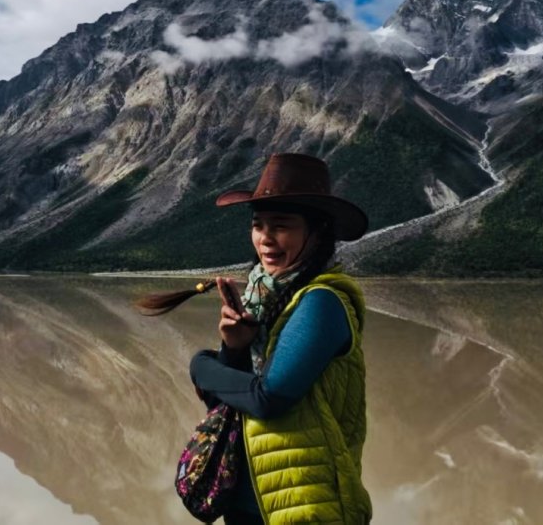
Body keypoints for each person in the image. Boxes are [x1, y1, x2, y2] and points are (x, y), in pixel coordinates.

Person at [139, 153, 373, 525]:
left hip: (303, 506)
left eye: (281, 226)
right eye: (257, 225)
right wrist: (234, 347)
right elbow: (224, 401)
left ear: (317, 233)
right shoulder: (266, 300)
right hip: (250, 500)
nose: (265, 239)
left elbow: (269, 398)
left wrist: (200, 365)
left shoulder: (322, 302)